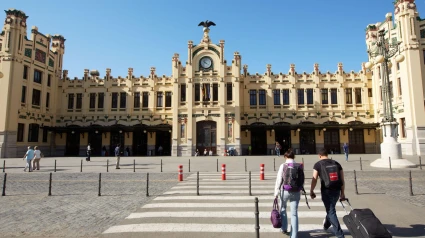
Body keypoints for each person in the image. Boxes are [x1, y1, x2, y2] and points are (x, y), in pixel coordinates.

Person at [310, 148, 345, 238]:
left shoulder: (318, 164)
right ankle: (326, 225)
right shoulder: (337, 163)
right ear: (327, 154)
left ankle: (340, 234)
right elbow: (342, 180)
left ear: (319, 155)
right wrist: (342, 193)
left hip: (326, 190)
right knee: (331, 209)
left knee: (331, 211)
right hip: (337, 190)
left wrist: (311, 191)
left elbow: (314, 179)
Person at [274, 149, 304, 237]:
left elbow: (279, 179)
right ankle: (294, 235)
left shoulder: (283, 165)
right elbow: (302, 179)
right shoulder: (299, 166)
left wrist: (276, 192)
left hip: (285, 190)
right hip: (296, 191)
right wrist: (300, 189)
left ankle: (284, 228)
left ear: (285, 157)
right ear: (294, 157)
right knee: (294, 213)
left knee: (283, 209)